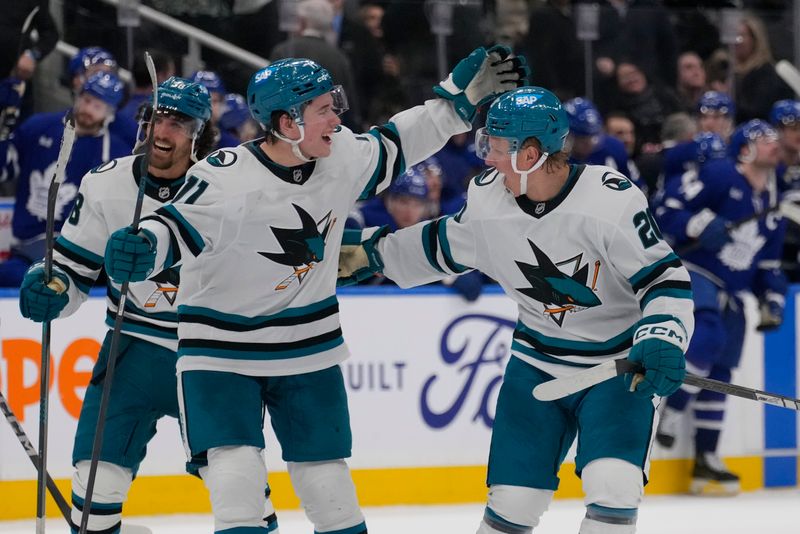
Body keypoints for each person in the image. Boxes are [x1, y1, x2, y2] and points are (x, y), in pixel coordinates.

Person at [103, 48, 528, 533]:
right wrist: (146, 248)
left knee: (331, 492)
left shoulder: (340, 153)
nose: (337, 116)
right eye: (324, 109)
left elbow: (394, 146)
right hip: (221, 354)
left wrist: (454, 104)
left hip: (309, 348)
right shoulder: (225, 176)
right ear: (287, 123)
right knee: (237, 487)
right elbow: (175, 227)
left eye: (335, 104)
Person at [339, 86, 694, 534]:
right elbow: (447, 245)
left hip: (616, 367)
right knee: (513, 502)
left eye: (495, 145)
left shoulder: (611, 200)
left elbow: (665, 279)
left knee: (613, 485)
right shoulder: (489, 198)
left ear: (531, 154)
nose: (484, 155)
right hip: (537, 364)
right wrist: (373, 254)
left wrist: (662, 336)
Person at [15, 76, 232, 534]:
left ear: (199, 134)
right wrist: (50, 286)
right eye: (153, 117)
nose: (160, 130)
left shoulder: (225, 188)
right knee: (96, 487)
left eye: (176, 122)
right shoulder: (106, 184)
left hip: (208, 355)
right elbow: (72, 269)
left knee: (237, 486)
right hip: (130, 351)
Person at [654, 119, 787, 496]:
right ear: (745, 147)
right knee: (708, 335)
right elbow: (664, 209)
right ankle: (672, 410)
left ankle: (705, 460)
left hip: (733, 289)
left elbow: (768, 266)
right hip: (694, 272)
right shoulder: (719, 174)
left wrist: (771, 297)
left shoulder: (773, 204)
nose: (774, 144)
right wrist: (698, 223)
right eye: (765, 139)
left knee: (722, 372)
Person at [0, 71, 130, 287]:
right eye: (87, 100)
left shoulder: (117, 151)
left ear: (110, 113)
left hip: (84, 256)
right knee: (12, 277)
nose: (88, 110)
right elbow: (4, 170)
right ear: (78, 96)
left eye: (98, 106)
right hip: (28, 250)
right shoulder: (38, 127)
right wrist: (3, 128)